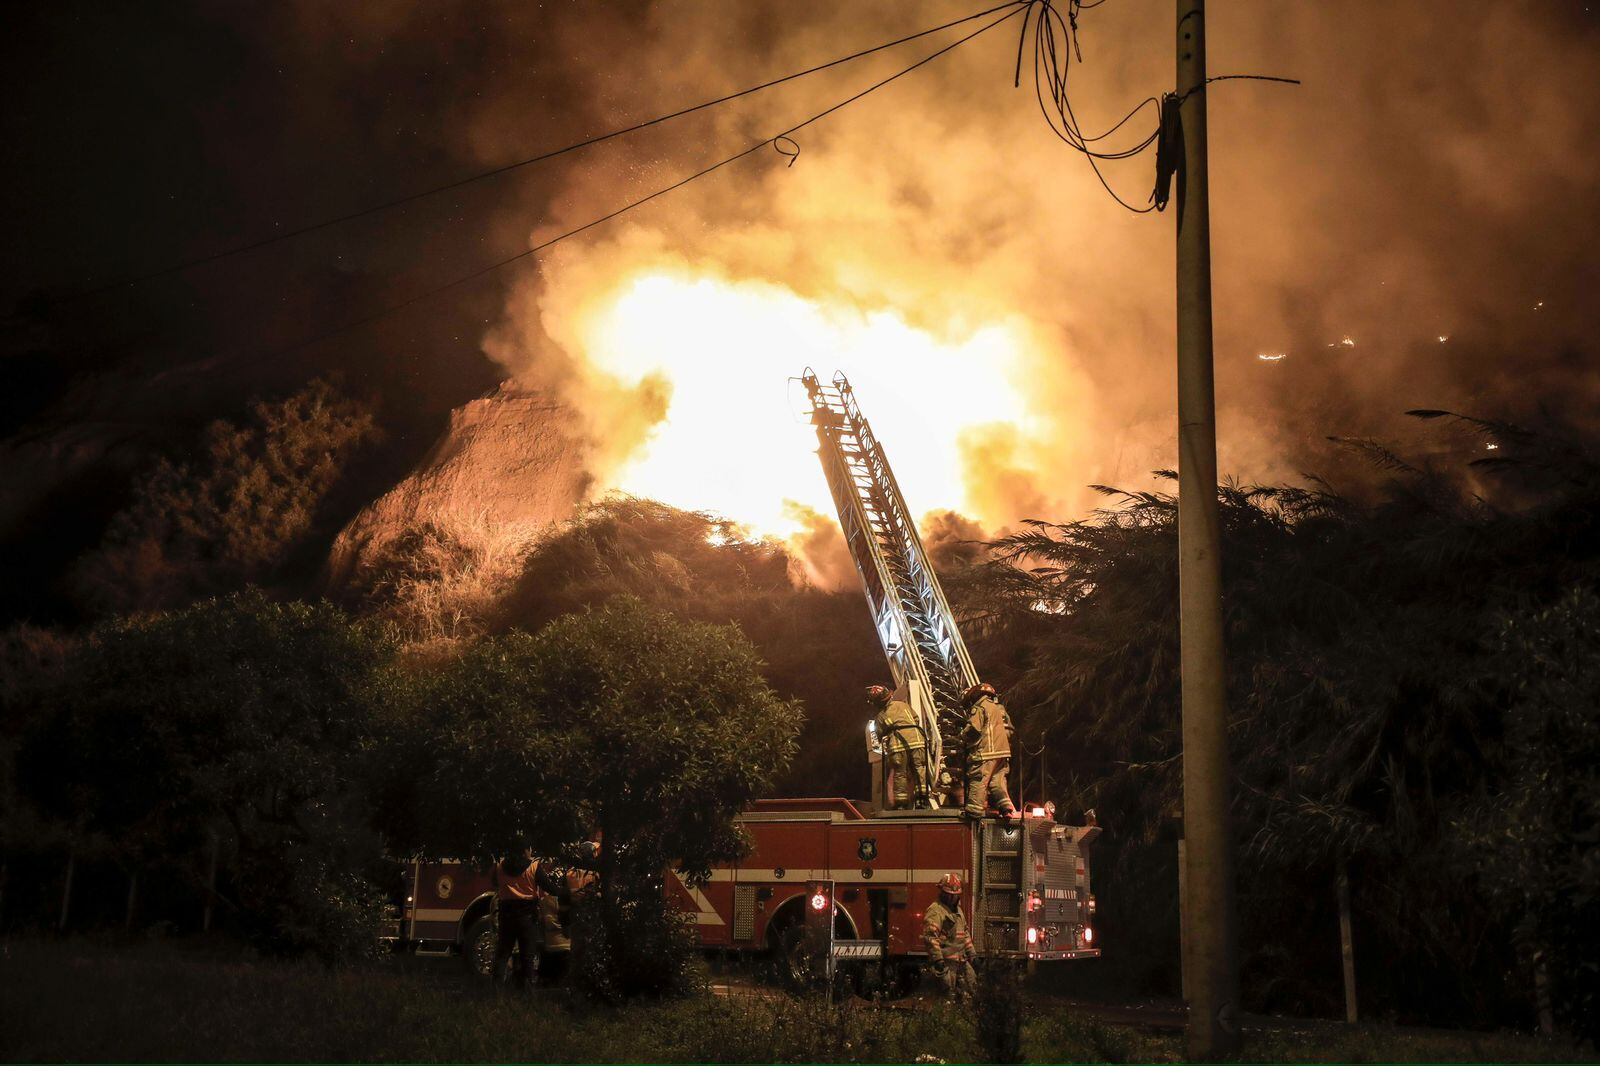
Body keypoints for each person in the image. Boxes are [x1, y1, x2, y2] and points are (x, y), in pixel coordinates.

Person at [867, 684, 930, 809]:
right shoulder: (904, 705)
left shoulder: (880, 716)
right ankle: (922, 801)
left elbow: (880, 735)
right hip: (917, 740)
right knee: (919, 769)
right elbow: (916, 719)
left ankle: (901, 804)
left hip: (897, 746)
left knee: (900, 774)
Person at [962, 683, 1017, 819]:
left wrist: (961, 737)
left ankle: (973, 812)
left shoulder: (980, 707)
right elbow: (1009, 730)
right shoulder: (999, 709)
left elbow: (973, 729)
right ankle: (1006, 808)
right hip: (1003, 752)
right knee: (998, 781)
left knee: (979, 778)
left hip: (987, 752)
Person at [492, 842, 541, 989]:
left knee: (503, 953)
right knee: (527, 955)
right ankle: (527, 990)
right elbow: (549, 886)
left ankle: (495, 989)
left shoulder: (501, 867)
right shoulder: (533, 867)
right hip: (526, 917)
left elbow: (495, 883)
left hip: (506, 916)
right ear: (525, 850)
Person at [923, 872, 977, 1002]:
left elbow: (965, 934)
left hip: (961, 961)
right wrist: (938, 960)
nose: (952, 898)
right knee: (947, 996)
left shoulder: (958, 911)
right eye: (949, 895)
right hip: (946, 963)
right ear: (943, 893)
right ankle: (945, 1020)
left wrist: (973, 956)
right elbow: (930, 937)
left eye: (955, 896)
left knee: (972, 988)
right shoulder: (936, 911)